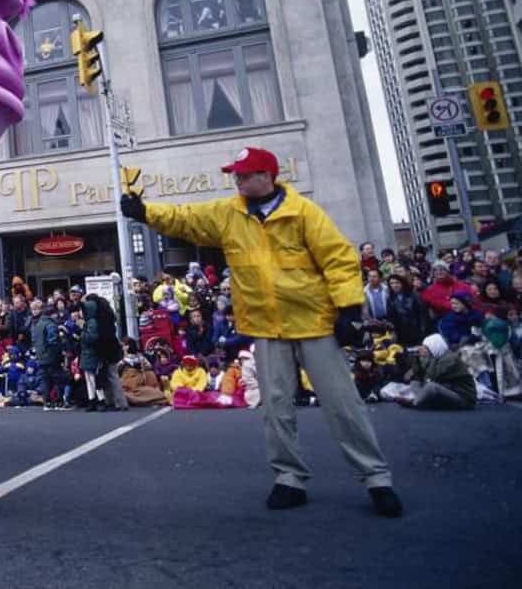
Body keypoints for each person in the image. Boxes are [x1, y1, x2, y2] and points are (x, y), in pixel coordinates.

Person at [122, 145, 402, 517]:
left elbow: (339, 259)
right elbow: (185, 218)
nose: (238, 179)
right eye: (236, 174)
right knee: (276, 406)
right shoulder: (229, 213)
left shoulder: (304, 212)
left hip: (313, 322)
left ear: (268, 176)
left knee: (342, 403)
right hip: (267, 326)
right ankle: (289, 478)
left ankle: (376, 478)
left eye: (245, 174)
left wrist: (348, 310)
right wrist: (146, 212)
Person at [394, 334, 476, 410]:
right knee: (415, 383)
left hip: (463, 398)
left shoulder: (450, 359)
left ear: (434, 347)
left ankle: (414, 403)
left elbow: (431, 377)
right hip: (449, 390)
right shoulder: (436, 357)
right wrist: (417, 360)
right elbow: (420, 378)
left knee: (432, 387)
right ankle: (419, 399)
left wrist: (425, 359)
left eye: (425, 347)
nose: (422, 349)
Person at [79, 292, 128, 412]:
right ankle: (116, 402)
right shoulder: (107, 314)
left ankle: (117, 402)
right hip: (112, 347)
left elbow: (96, 337)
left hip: (103, 349)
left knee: (108, 375)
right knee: (110, 375)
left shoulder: (95, 320)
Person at [31, 302, 62, 410]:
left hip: (41, 356)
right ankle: (58, 401)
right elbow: (53, 340)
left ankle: (47, 402)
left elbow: (34, 340)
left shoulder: (38, 324)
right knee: (56, 379)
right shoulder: (51, 324)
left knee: (45, 379)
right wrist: (60, 348)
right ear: (52, 314)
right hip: (51, 356)